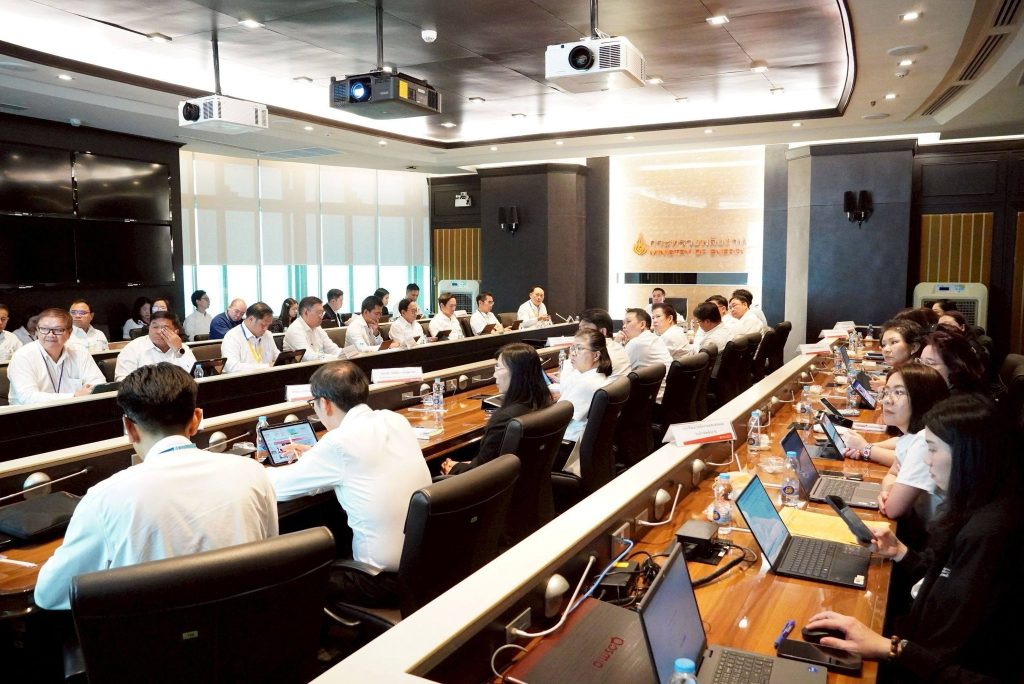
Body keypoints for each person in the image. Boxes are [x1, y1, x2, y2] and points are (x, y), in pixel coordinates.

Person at [806, 395, 1023, 682]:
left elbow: (960, 657)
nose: (925, 460)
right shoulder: (977, 506)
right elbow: (942, 587)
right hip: (912, 648)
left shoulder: (989, 536)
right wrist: (899, 552)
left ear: (967, 455)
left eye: (932, 449)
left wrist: (890, 648)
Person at [33, 363, 278, 610]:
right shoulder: (253, 473)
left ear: (129, 428)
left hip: (155, 633)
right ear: (196, 419)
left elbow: (49, 594)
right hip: (244, 625)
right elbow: (269, 553)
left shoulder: (105, 498)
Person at [265, 361, 430, 607]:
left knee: (294, 579)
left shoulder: (338, 443)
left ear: (325, 404)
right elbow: (365, 461)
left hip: (379, 580)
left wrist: (250, 470)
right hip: (425, 563)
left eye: (313, 404)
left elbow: (278, 487)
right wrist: (316, 455)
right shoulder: (395, 420)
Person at [842, 365, 949, 518]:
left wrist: (866, 448)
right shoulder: (910, 436)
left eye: (898, 392)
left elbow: (892, 510)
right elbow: (892, 474)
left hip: (926, 530)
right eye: (886, 392)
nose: (887, 400)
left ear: (922, 398)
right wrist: (887, 491)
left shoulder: (924, 441)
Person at [441, 343, 553, 476]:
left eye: (499, 367)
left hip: (495, 483)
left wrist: (454, 468)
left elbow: (483, 473)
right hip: (527, 478)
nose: (494, 374)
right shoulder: (543, 402)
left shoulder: (505, 418)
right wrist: (468, 464)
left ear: (517, 373)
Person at [7, 308, 105, 405]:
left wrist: (87, 392)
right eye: (44, 329)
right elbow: (28, 397)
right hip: (31, 412)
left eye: (58, 330)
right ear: (37, 331)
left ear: (69, 333)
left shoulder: (80, 352)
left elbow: (98, 382)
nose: (51, 334)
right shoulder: (23, 356)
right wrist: (74, 396)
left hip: (76, 409)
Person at [556, 329, 613, 476]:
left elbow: (557, 419)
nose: (573, 353)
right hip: (580, 445)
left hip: (567, 448)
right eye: (572, 348)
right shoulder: (594, 375)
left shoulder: (587, 383)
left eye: (579, 348)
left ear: (596, 355)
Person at [114, 312, 197, 381]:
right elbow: (122, 381)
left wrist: (178, 351)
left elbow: (195, 375)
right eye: (155, 327)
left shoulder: (183, 348)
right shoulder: (133, 348)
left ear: (176, 332)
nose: (159, 331)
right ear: (149, 329)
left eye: (165, 328)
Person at [619, 308, 672, 400]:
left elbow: (618, 372)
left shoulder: (636, 343)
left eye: (628, 322)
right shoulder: (655, 338)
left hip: (651, 399)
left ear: (642, 325)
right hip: (665, 395)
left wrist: (617, 344)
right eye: (623, 323)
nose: (624, 326)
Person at [920, 329, 984, 393]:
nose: (920, 369)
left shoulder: (962, 398)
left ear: (955, 368)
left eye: (929, 363)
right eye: (920, 361)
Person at [221, 302, 279, 372]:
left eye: (268, 325)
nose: (265, 329)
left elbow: (277, 357)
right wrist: (266, 366)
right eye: (263, 325)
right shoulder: (232, 336)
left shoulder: (268, 334)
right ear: (251, 319)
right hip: (243, 378)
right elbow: (232, 367)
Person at [283, 296, 342, 361]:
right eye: (319, 312)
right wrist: (337, 357)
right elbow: (308, 357)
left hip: (320, 364)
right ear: (306, 312)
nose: (322, 317)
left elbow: (332, 349)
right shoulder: (295, 330)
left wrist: (344, 354)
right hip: (305, 366)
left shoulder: (317, 327)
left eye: (322, 313)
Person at [872, 318, 925, 390]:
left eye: (894, 342)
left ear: (914, 347)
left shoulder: (919, 378)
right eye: (884, 345)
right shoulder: (899, 373)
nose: (886, 350)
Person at [577, 308, 630, 378]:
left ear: (602, 331)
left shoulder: (597, 356)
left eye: (585, 330)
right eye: (580, 330)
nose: (580, 334)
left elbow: (570, 381)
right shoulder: (618, 347)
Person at [686, 301, 735, 377]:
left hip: (708, 376)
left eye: (698, 321)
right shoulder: (727, 329)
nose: (699, 325)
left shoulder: (711, 341)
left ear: (707, 321)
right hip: (724, 373)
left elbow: (698, 362)